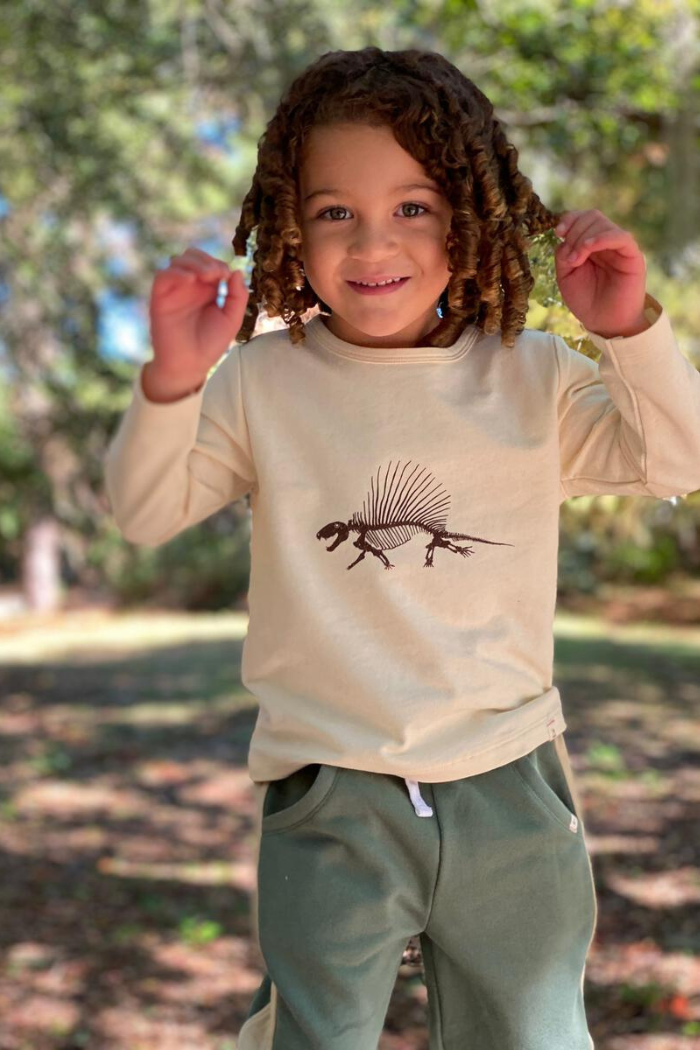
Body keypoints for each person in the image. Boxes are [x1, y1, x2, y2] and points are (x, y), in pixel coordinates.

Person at [103, 46, 700, 1050]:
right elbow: (143, 510)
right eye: (335, 210)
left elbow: (675, 455)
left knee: (531, 1034)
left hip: (508, 777)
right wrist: (170, 378)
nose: (372, 241)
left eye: (414, 206)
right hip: (330, 786)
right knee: (313, 1035)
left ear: (469, 217)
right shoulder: (261, 383)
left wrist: (628, 331)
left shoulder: (534, 374)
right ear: (292, 223)